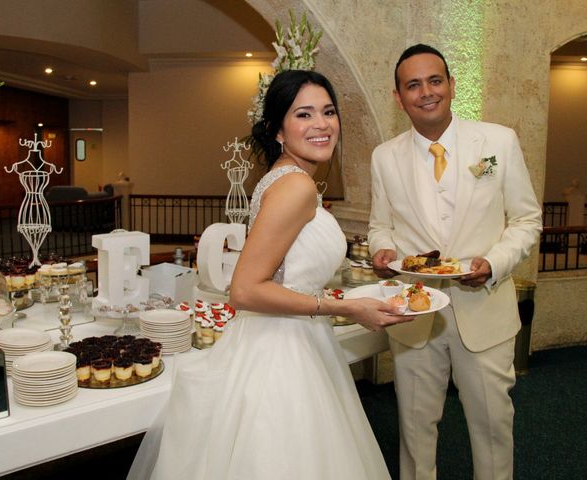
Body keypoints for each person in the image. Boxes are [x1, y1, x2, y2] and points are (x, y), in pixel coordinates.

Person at [127, 69, 413, 480]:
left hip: (287, 337)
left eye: (328, 112)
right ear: (278, 130)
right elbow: (244, 290)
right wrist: (347, 308)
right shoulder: (295, 186)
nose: (321, 124)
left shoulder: (281, 178)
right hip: (284, 349)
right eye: (304, 115)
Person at [368, 44, 542, 480]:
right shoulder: (384, 157)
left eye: (435, 80)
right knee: (414, 429)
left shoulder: (498, 141)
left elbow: (526, 219)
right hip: (415, 312)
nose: (426, 92)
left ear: (450, 85)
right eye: (413, 85)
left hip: (482, 307)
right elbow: (379, 227)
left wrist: (494, 261)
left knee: (491, 427)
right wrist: (381, 252)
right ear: (398, 97)